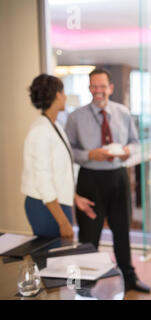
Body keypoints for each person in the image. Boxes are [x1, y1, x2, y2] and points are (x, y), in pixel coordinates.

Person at [65, 67, 150, 293]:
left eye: (103, 86)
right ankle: (83, 284)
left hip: (118, 177)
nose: (98, 91)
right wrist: (89, 155)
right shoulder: (75, 117)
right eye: (94, 86)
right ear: (89, 87)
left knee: (122, 231)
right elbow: (69, 151)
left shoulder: (123, 112)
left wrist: (125, 151)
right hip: (90, 179)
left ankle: (129, 278)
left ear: (110, 88)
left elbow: (135, 143)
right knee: (88, 235)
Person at [22, 74, 96, 239]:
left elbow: (59, 173)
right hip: (45, 206)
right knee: (51, 259)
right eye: (63, 93)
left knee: (58, 259)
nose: (65, 97)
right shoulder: (40, 131)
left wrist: (74, 197)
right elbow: (43, 180)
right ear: (57, 94)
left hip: (55, 203)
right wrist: (63, 222)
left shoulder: (54, 126)